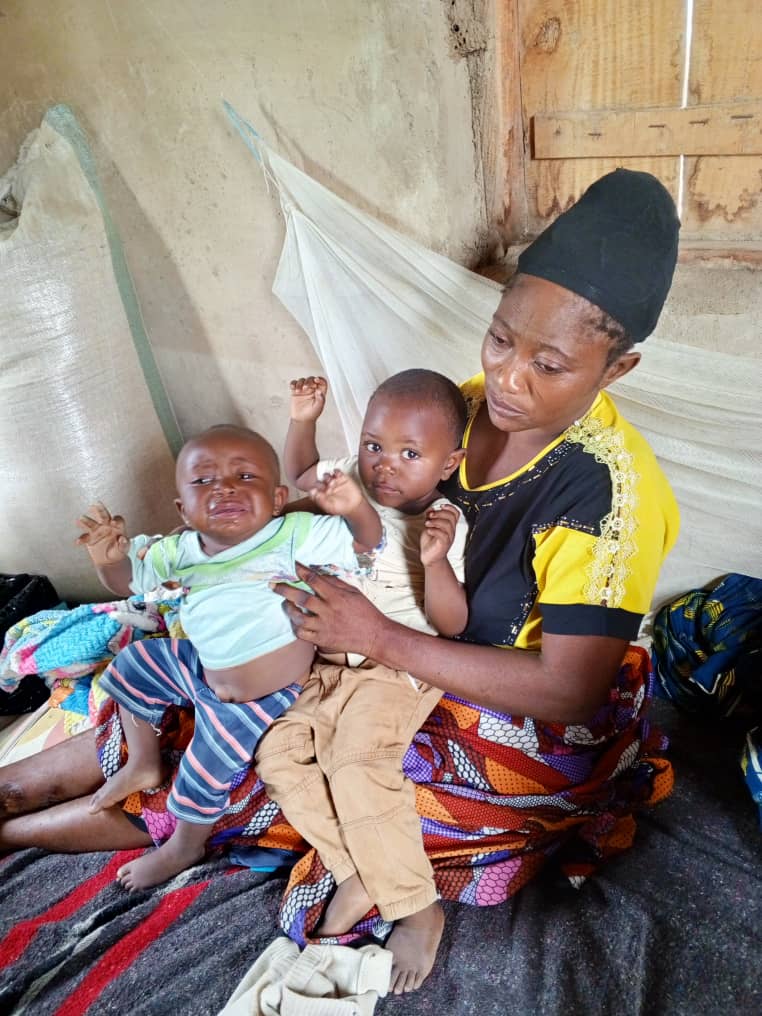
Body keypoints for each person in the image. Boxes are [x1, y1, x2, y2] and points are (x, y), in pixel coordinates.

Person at [0, 168, 680, 998]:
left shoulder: (608, 494)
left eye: (550, 364)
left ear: (618, 368)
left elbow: (569, 691)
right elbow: (366, 505)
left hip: (509, 711)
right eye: (500, 339)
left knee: (278, 757)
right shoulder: (461, 409)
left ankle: (54, 821)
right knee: (214, 672)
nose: (507, 380)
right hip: (379, 634)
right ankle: (52, 789)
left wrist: (378, 638)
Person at [74, 424, 382, 890]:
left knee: (204, 767)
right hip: (200, 668)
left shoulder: (290, 535)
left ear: (278, 499)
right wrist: (107, 560)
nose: (224, 489)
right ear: (182, 508)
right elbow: (130, 584)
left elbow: (365, 541)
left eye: (245, 477)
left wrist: (355, 507)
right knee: (131, 665)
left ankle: (184, 845)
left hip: (257, 698)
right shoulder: (177, 551)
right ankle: (143, 761)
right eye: (204, 481)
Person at [254, 369, 469, 993]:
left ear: (448, 462)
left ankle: (414, 905)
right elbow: (303, 475)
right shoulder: (351, 476)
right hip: (330, 661)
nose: (385, 466)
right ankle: (355, 871)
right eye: (375, 446)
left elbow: (451, 625)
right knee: (281, 753)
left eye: (410, 453)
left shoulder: (441, 521)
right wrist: (302, 419)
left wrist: (435, 565)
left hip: (398, 666)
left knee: (355, 763)